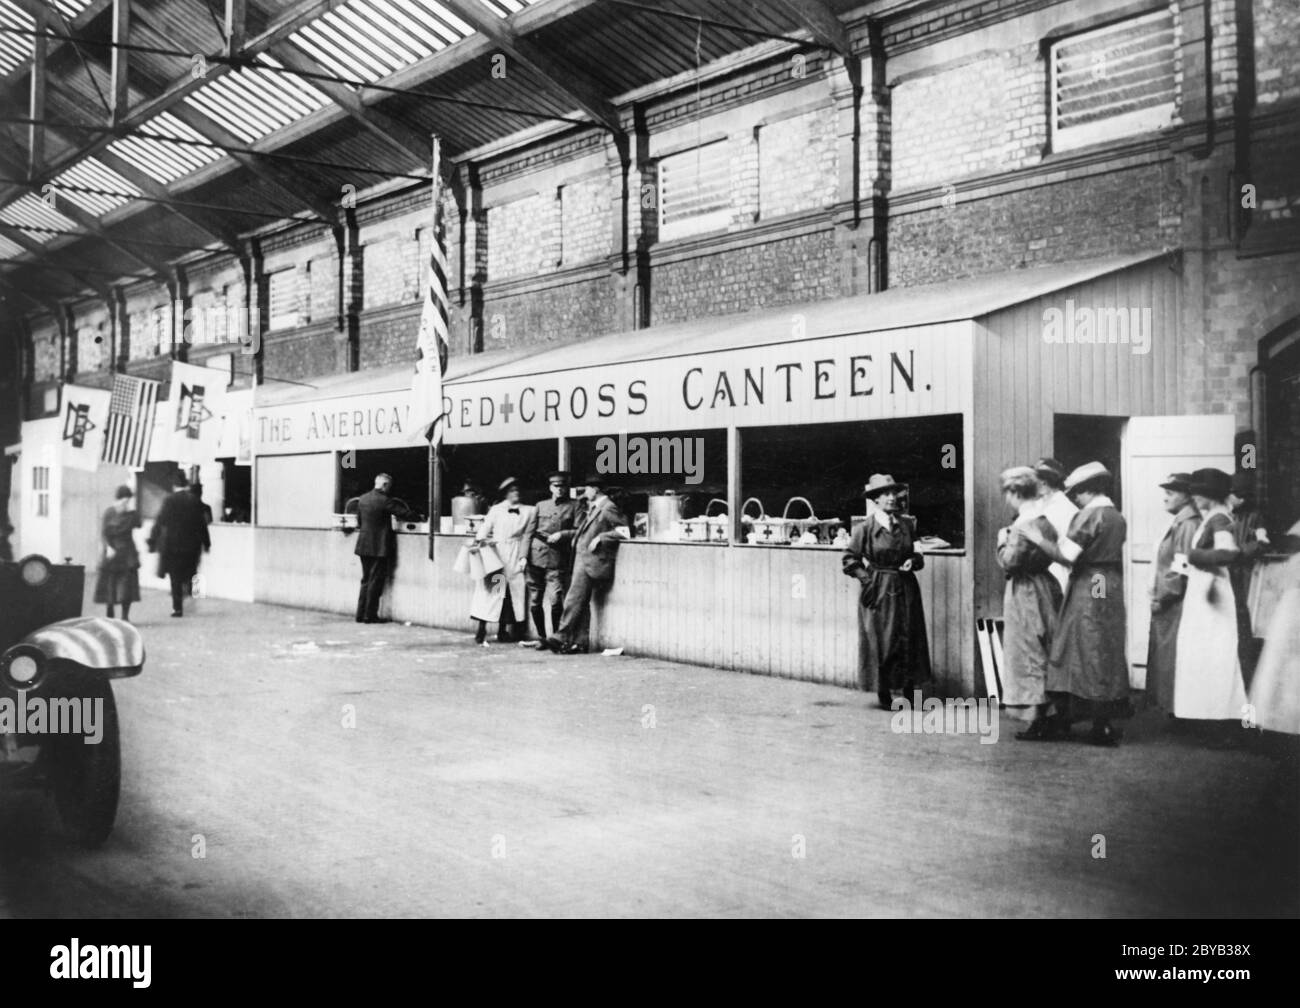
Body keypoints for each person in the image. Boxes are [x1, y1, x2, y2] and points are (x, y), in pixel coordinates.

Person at [1023, 461, 1130, 746]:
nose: (1075, 498)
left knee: (1087, 642)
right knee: (1103, 641)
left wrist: (1038, 539)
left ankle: (1086, 719)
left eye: (1078, 492)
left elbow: (1066, 555)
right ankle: (1099, 717)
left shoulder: (1090, 516)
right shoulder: (1116, 516)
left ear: (1089, 490)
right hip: (1109, 582)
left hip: (1091, 582)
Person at [841, 473, 931, 709]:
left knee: (910, 636)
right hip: (879, 587)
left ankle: (910, 690)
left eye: (894, 494)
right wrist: (867, 580)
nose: (891, 498)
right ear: (875, 500)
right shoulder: (865, 528)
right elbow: (850, 560)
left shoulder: (907, 525)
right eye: (885, 494)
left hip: (906, 586)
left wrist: (913, 560)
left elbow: (919, 554)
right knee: (884, 639)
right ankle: (885, 691)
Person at [1172, 468, 1248, 728]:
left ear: (1208, 494)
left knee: (1216, 652)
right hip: (1204, 588)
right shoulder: (1211, 517)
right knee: (1202, 652)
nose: (1194, 498)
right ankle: (1206, 715)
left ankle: (1224, 717)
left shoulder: (1218, 518)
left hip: (1214, 590)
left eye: (1197, 493)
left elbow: (1228, 553)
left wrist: (1195, 556)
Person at [994, 467, 1063, 739]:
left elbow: (1010, 562)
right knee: (1045, 644)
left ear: (1014, 492)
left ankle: (1038, 718)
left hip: (1025, 589)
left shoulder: (1023, 523)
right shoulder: (1044, 520)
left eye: (1008, 493)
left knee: (1028, 649)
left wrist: (1001, 542)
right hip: (1045, 585)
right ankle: (1055, 711)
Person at [546, 475, 628, 654]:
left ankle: (561, 636)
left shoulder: (608, 507)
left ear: (595, 490)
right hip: (583, 559)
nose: (584, 493)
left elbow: (624, 531)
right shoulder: (595, 507)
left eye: (587, 489)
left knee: (573, 599)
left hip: (590, 561)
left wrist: (601, 537)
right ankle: (581, 642)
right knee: (581, 602)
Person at [1144, 473, 1200, 713]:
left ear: (1187, 496)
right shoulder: (1178, 521)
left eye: (1171, 492)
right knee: (1166, 655)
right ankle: (1175, 708)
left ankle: (1181, 710)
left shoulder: (1187, 524)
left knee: (1174, 656)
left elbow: (1181, 566)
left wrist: (1163, 596)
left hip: (1175, 602)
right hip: (1169, 601)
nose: (1165, 498)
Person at [471, 478, 537, 645]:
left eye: (518, 490)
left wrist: (523, 557)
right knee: (494, 591)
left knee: (512, 593)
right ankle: (481, 629)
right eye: (512, 490)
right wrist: (478, 541)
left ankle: (504, 631)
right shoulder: (496, 509)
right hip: (497, 555)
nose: (516, 493)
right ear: (506, 493)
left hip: (515, 554)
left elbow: (528, 535)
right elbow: (485, 527)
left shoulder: (529, 511)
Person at [353, 472, 419, 624]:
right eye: (389, 486)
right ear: (384, 485)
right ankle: (370, 616)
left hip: (363, 545)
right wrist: (419, 516)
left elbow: (359, 522)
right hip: (379, 547)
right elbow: (405, 513)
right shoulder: (385, 501)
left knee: (366, 580)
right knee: (375, 581)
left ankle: (360, 614)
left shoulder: (362, 499)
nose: (390, 489)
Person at [148, 471, 211, 618]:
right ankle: (196, 599)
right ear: (186, 484)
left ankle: (178, 608)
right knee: (193, 572)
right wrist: (207, 543)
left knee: (175, 577)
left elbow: (159, 522)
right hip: (191, 546)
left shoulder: (169, 500)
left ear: (174, 485)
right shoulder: (194, 500)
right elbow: (202, 525)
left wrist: (152, 540)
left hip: (173, 545)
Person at [1227, 471, 1270, 680]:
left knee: (1243, 619)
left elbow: (1263, 543)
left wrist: (1240, 551)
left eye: (1233, 494)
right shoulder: (1225, 514)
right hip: (1227, 572)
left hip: (1244, 573)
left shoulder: (1255, 516)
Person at [527, 471, 577, 642]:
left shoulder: (574, 506)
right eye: (556, 486)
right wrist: (522, 556)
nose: (560, 490)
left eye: (563, 486)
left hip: (557, 558)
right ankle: (541, 637)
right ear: (550, 488)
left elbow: (579, 530)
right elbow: (529, 532)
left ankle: (555, 638)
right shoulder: (541, 505)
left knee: (556, 600)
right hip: (535, 558)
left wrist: (563, 534)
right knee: (535, 599)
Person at [93, 484, 141, 621]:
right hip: (112, 552)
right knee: (110, 584)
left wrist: (132, 512)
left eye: (128, 501)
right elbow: (103, 533)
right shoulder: (109, 513)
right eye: (124, 501)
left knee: (127, 586)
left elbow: (139, 524)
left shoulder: (132, 515)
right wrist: (108, 547)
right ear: (117, 500)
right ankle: (110, 613)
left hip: (127, 553)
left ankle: (125, 616)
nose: (126, 504)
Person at [1033, 457, 1078, 596]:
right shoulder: (1039, 504)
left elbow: (1066, 549)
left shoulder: (1065, 508)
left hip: (1057, 569)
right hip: (1038, 569)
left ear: (1044, 482)